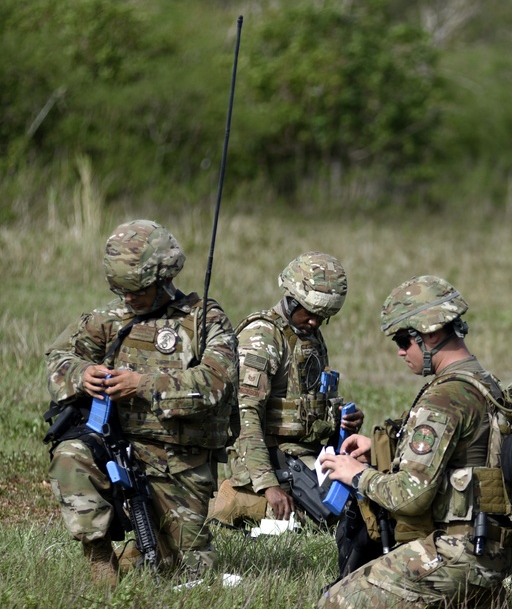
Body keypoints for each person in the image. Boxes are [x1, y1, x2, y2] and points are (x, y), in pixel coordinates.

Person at [45, 220, 238, 588]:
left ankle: (149, 550)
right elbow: (59, 356)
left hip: (181, 462)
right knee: (70, 454)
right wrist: (80, 374)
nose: (129, 298)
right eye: (121, 290)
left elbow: (218, 382)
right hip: (118, 448)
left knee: (193, 570)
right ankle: (100, 556)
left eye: (137, 290)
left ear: (163, 278)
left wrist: (143, 385)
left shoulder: (204, 320)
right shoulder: (110, 319)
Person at [316, 276, 512, 609]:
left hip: (455, 552)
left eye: (403, 339)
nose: (399, 350)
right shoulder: (483, 383)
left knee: (331, 607)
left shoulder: (443, 398)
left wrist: (358, 475)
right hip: (492, 550)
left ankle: (460, 599)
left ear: (431, 335)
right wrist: (384, 451)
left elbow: (411, 497)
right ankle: (473, 603)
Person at [209, 252, 363, 529]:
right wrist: (267, 484)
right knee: (325, 521)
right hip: (271, 458)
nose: (316, 322)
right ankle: (234, 499)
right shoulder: (262, 337)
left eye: (323, 316)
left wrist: (338, 417)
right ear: (291, 299)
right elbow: (246, 416)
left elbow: (303, 400)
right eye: (310, 312)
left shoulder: (307, 334)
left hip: (304, 452)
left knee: (358, 500)